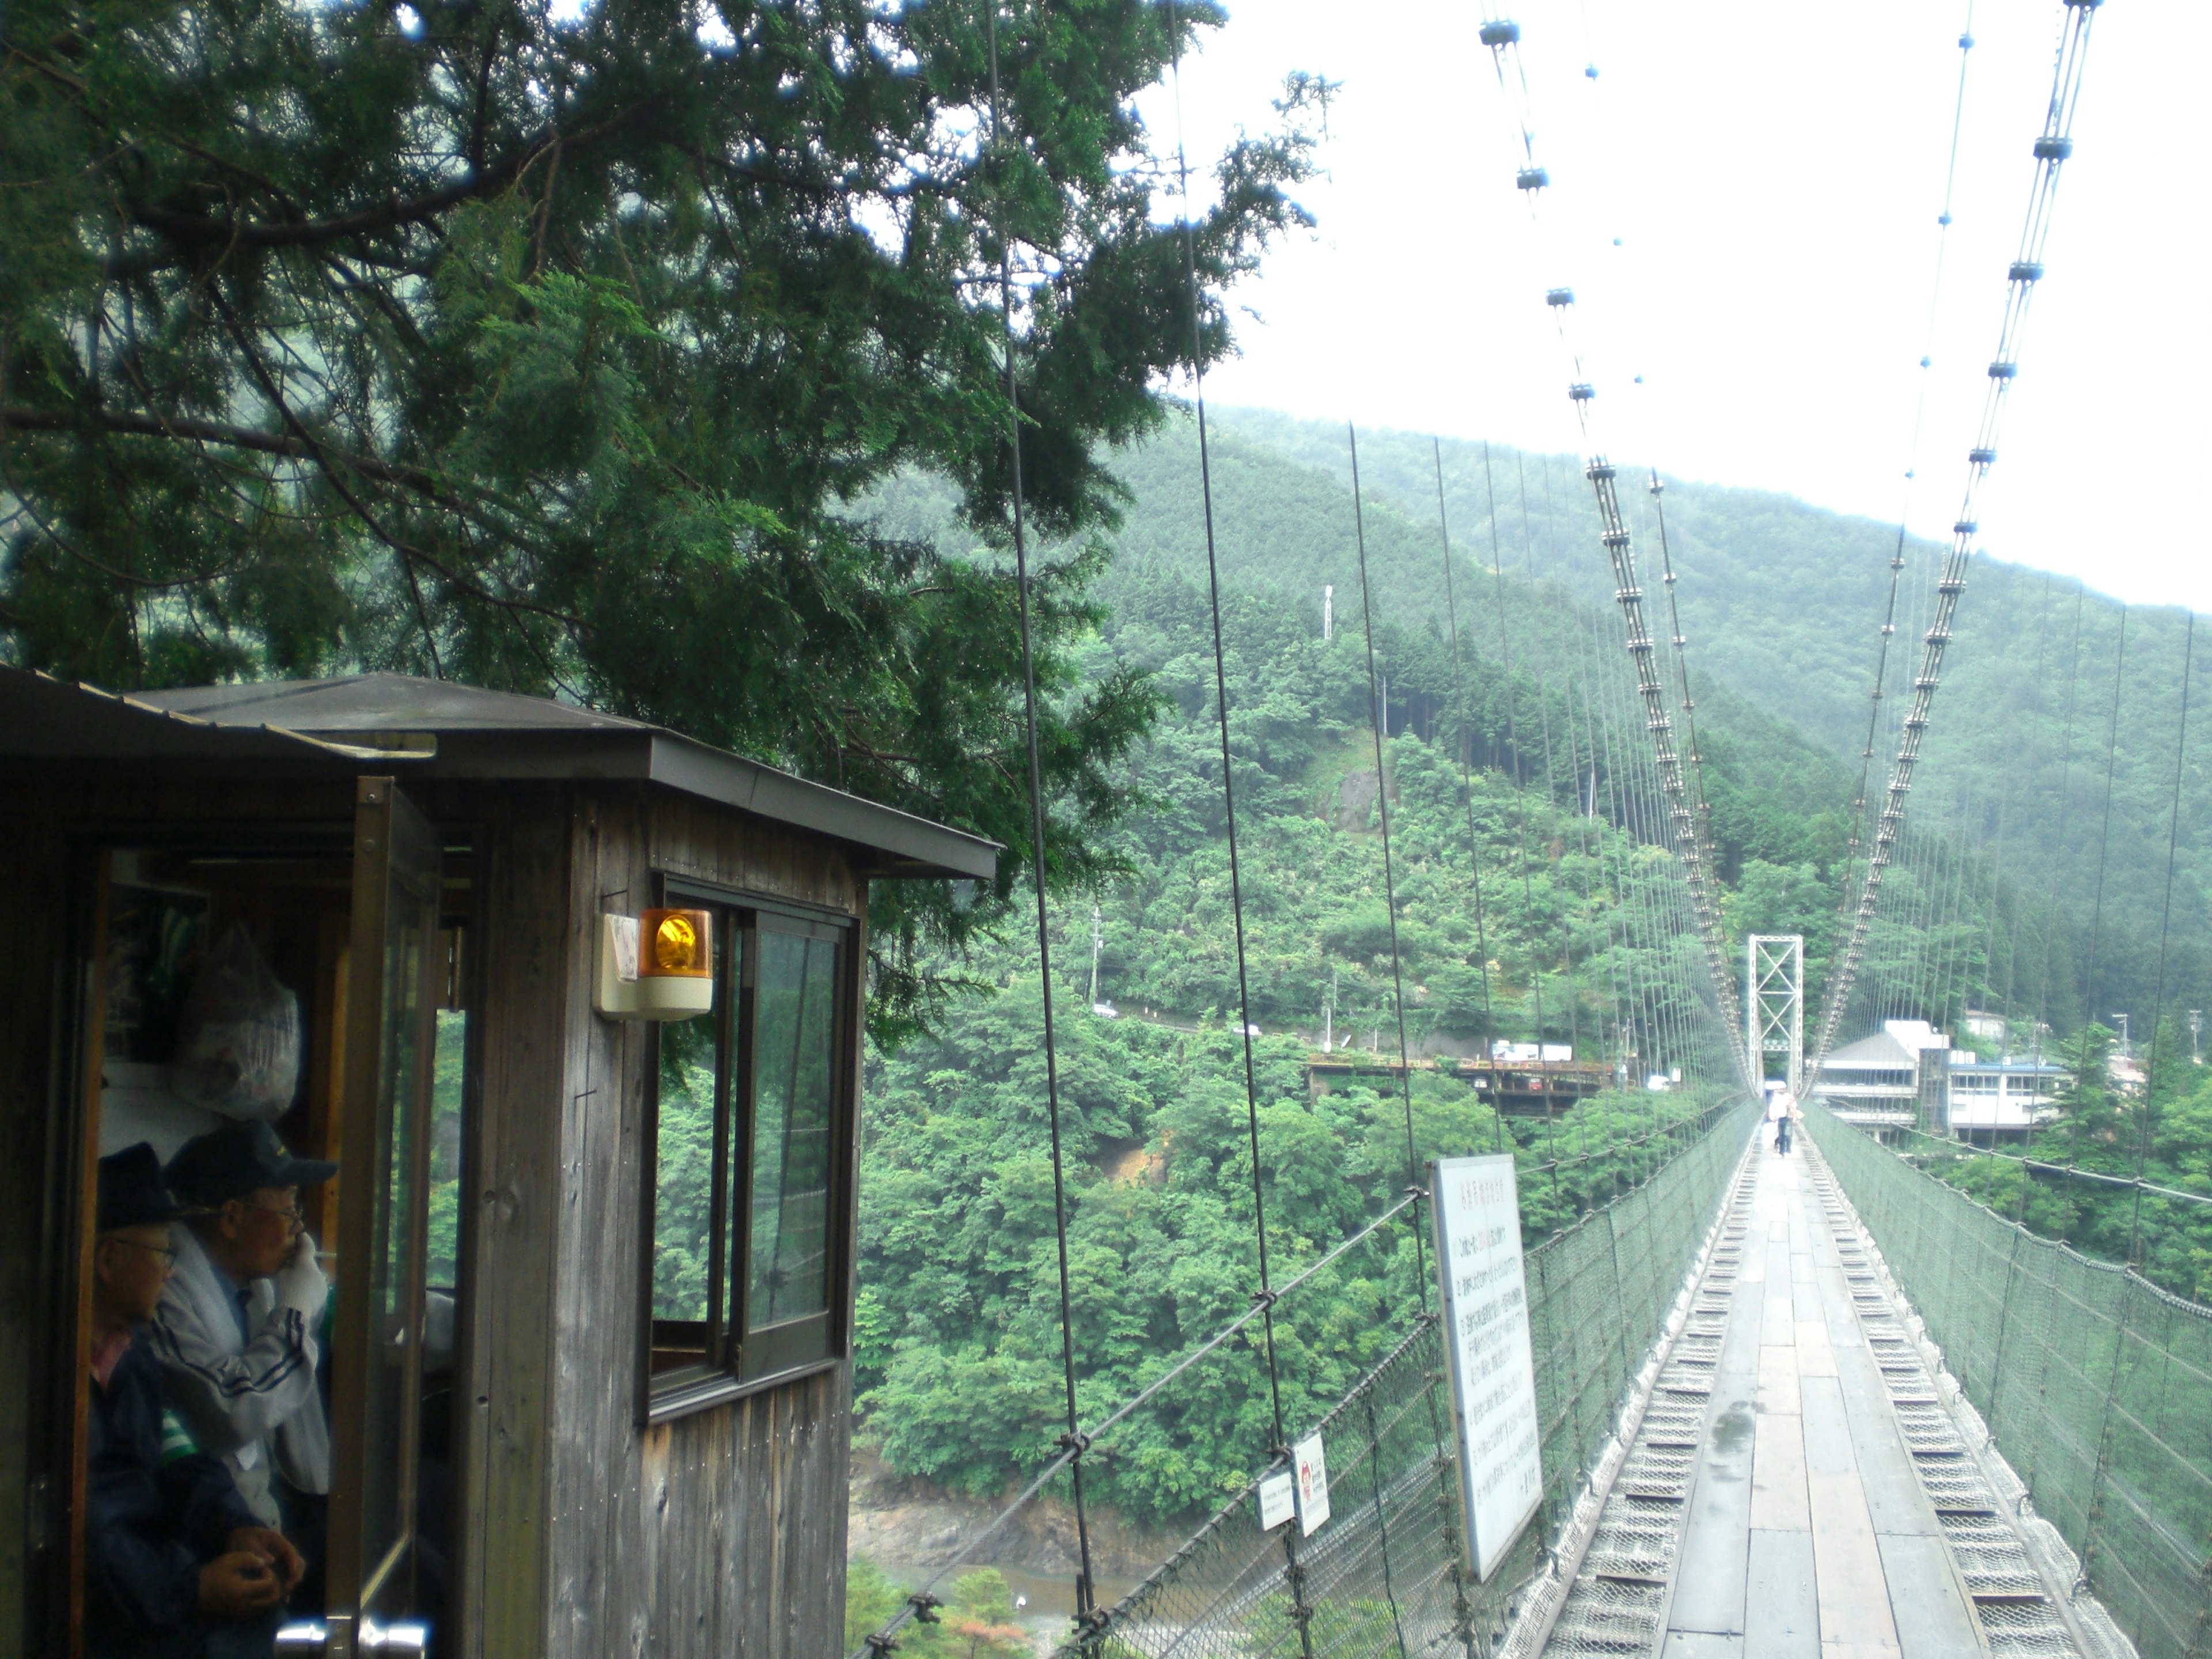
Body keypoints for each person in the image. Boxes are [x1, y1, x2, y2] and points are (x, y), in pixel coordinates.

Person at [88, 1143, 304, 1658]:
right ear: (111, 1258)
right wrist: (191, 1587)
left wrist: (235, 1527)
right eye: (163, 1253)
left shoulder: (130, 1355)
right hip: (120, 1613)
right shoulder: (50, 1378)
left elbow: (181, 1460)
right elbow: (84, 1527)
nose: (170, 1271)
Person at [150, 1123, 336, 1537]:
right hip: (217, 1530)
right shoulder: (162, 1290)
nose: (299, 1230)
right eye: (289, 1212)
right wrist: (296, 1313)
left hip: (273, 1503)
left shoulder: (256, 1282)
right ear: (232, 1218)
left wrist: (307, 1300)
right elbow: (233, 1412)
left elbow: (351, 1309)